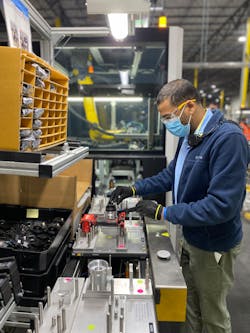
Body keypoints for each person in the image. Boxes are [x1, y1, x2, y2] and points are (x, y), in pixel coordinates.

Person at [110, 79, 249, 333]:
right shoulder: (191, 136)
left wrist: (164, 212)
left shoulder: (228, 140)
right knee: (192, 307)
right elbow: (170, 176)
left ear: (190, 106)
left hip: (214, 245)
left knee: (213, 315)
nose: (168, 124)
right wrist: (133, 188)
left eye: (169, 117)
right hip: (192, 237)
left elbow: (222, 205)